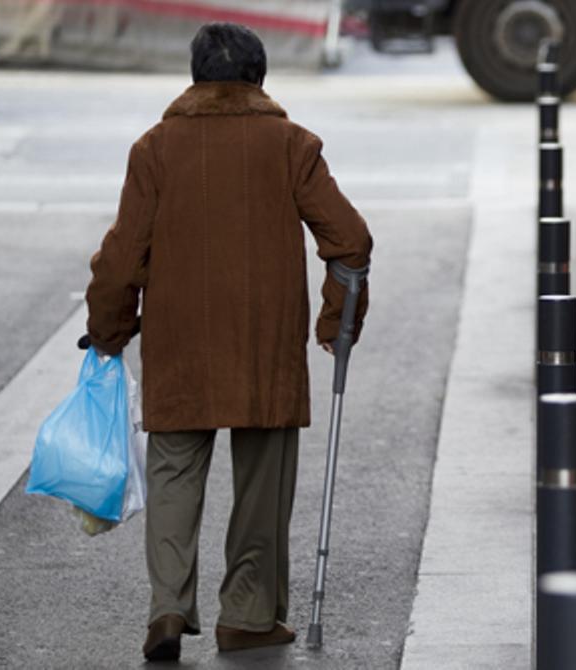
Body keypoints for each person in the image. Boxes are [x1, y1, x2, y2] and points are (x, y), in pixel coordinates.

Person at [84, 23, 372, 662]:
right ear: (259, 78)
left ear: (193, 78)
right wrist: (335, 324)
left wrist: (107, 330)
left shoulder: (155, 148)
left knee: (174, 473)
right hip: (265, 344)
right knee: (263, 483)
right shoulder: (292, 145)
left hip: (180, 342)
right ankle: (246, 615)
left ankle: (167, 609)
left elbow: (121, 257)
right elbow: (350, 240)